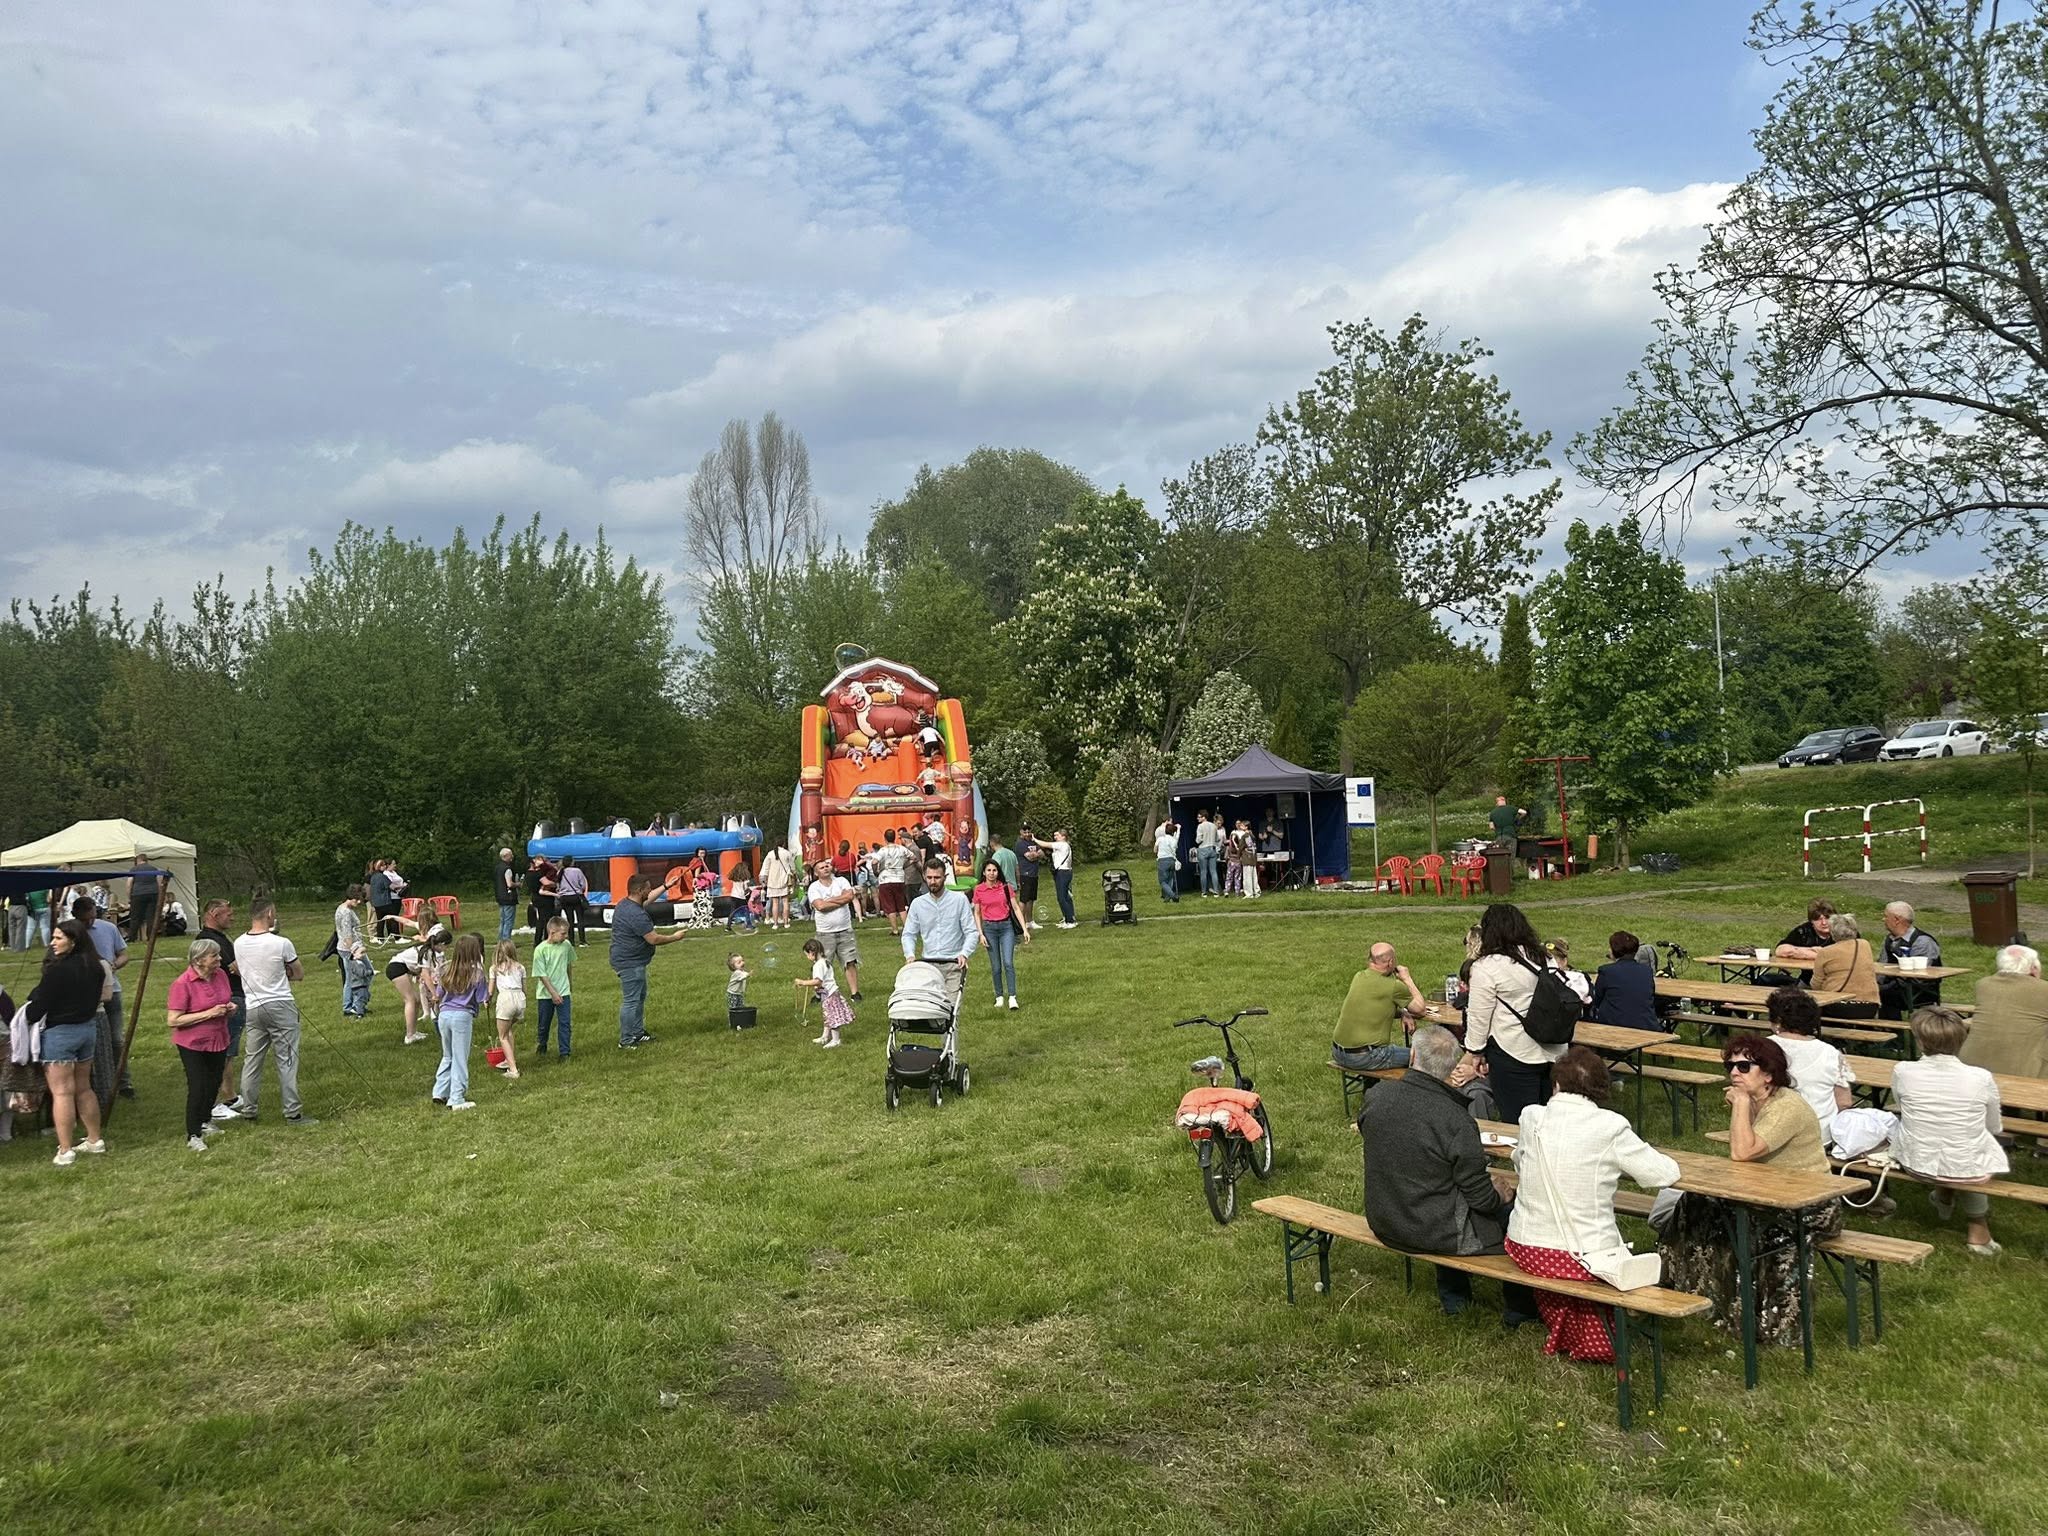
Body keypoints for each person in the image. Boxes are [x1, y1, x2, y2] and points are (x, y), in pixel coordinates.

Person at [1658, 1035, 1836, 1347]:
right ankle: (1683, 1290)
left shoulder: (1787, 1107)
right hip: (1767, 1195)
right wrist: (1744, 1106)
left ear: (1768, 1074)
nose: (1734, 1073)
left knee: (1767, 1234)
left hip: (1811, 1204)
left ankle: (1772, 1326)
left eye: (1744, 1066)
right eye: (1730, 1066)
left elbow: (1742, 1152)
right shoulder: (1758, 1101)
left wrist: (1740, 1105)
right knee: (1694, 1203)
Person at [1506, 1046, 1680, 1362]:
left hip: (1525, 1248)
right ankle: (1594, 1336)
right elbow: (1662, 1174)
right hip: (1580, 1256)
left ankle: (1571, 1330)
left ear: (1556, 1084)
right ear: (1601, 1089)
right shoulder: (1610, 1126)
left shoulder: (1532, 1117)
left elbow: (1519, 1162)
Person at [1358, 1024, 1538, 1325]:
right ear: (1452, 1068)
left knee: (1442, 1193)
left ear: (1412, 1055)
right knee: (1520, 1217)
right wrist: (1499, 1194)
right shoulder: (1455, 1120)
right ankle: (1520, 1310)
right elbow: (1481, 1200)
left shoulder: (1377, 1095)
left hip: (1386, 1218)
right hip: (1430, 1228)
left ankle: (1457, 1299)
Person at [1892, 1006, 2008, 1256]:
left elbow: (1902, 1108)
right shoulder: (1980, 1077)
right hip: (1961, 1166)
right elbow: (1993, 1126)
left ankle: (1944, 1197)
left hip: (1916, 1161)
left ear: (1920, 1041)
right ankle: (1978, 1228)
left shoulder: (1903, 1071)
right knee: (1970, 1151)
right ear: (1960, 1040)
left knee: (1951, 1142)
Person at [1460, 903, 1564, 1123]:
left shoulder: (1486, 967)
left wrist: (1475, 1052)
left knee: (1518, 1119)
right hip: (1552, 1045)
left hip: (1513, 1049)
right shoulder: (1544, 957)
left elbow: (1479, 1016)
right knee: (1548, 1117)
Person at [222, 900, 316, 1128]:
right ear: (270, 914)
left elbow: (237, 968)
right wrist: (282, 974)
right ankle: (292, 1112)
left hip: (253, 1006)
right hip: (280, 1004)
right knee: (287, 1060)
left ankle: (249, 1109)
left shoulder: (239, 942)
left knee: (252, 1060)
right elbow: (299, 973)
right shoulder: (281, 943)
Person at [28, 919, 112, 1166]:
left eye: (58, 938)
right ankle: (95, 1139)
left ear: (73, 941)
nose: (52, 943)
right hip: (87, 1029)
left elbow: (38, 1008)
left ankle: (65, 1150)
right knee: (84, 1088)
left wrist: (26, 1014)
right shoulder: (96, 967)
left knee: (62, 1092)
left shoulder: (57, 971)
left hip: (60, 1033)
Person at [166, 937, 236, 1152]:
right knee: (198, 1086)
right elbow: (173, 1020)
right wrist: (209, 1013)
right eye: (214, 956)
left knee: (214, 1081)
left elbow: (224, 999)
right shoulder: (182, 984)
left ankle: (206, 1119)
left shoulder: (220, 975)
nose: (219, 959)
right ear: (198, 960)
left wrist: (230, 1008)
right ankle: (193, 1134)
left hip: (219, 1038)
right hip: (192, 1043)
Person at [1766, 987, 1854, 1137]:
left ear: (1778, 1021)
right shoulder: (1830, 1053)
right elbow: (1844, 1102)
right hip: (1820, 1134)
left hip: (1770, 1134)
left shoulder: (1759, 1048)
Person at [611, 872, 685, 1049]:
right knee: (631, 1001)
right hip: (630, 962)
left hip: (631, 960)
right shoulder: (636, 915)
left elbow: (648, 899)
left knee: (639, 997)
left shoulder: (625, 904)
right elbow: (653, 939)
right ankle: (626, 1040)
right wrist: (675, 937)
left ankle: (638, 1033)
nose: (650, 891)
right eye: (647, 889)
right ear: (639, 891)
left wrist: (666, 886)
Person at [1332, 942, 1427, 1071]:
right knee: (1427, 1056)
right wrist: (1407, 978)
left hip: (1338, 1052)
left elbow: (1377, 1007)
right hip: (1366, 1056)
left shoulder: (1359, 976)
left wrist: (1403, 1012)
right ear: (1391, 962)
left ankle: (1373, 1084)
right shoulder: (1394, 986)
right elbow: (1421, 1010)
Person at [902, 857, 980, 1009]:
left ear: (945, 877)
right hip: (928, 965)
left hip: (953, 964)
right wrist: (910, 955)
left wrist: (964, 953)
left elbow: (971, 932)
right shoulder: (918, 904)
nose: (933, 882)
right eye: (929, 877)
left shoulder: (959, 900)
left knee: (951, 1010)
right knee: (931, 1011)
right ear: (924, 877)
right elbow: (909, 934)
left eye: (937, 878)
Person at [1965, 943, 2048, 1078]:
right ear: (2033, 969)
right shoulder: (2044, 989)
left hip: (1972, 1064)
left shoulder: (1983, 985)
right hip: (2025, 1071)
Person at [198, 899, 246, 1120]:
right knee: (220, 1053)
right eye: (228, 914)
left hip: (232, 997)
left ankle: (229, 1095)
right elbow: (233, 968)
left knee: (228, 1051)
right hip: (225, 999)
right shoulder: (208, 941)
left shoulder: (220, 938)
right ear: (214, 914)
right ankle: (213, 1102)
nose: (232, 918)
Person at [430, 933, 488, 1110]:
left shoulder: (446, 969)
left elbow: (438, 994)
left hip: (444, 1015)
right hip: (462, 1016)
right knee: (460, 1058)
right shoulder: (477, 973)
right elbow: (481, 998)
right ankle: (456, 1098)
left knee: (448, 1055)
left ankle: (440, 1091)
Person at [971, 857, 1030, 1010]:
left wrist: (1024, 929)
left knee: (1008, 963)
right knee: (996, 966)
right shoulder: (979, 889)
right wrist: (980, 933)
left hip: (1006, 927)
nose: (992, 873)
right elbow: (977, 912)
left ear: (998, 872)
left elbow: (1016, 908)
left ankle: (1012, 997)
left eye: (994, 870)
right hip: (989, 929)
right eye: (989, 870)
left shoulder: (1005, 887)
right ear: (984, 873)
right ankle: (999, 996)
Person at [805, 857, 864, 1002]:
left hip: (845, 930)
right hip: (825, 932)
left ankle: (855, 993)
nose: (826, 868)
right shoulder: (814, 887)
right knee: (822, 964)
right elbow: (820, 906)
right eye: (822, 867)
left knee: (849, 961)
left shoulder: (841, 881)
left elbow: (849, 896)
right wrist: (840, 899)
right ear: (816, 873)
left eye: (827, 866)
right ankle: (819, 993)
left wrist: (829, 901)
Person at [1810, 911, 1881, 1018]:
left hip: (1839, 1006)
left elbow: (1815, 984)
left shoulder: (1825, 952)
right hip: (1870, 1007)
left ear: (1832, 932)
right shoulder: (1864, 945)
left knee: (1808, 1008)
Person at [386, 927, 450, 1045]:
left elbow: (423, 973)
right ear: (441, 944)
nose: (446, 949)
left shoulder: (429, 950)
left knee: (416, 1001)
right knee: (410, 1000)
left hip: (403, 968)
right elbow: (426, 975)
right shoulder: (427, 952)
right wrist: (435, 995)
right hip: (396, 968)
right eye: (446, 946)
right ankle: (409, 1036)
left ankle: (413, 1032)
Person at [1879, 900, 1944, 1017]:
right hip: (1895, 988)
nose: (1883, 919)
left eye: (1886, 916)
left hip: (1919, 992)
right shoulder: (1889, 940)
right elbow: (1881, 968)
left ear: (1897, 920)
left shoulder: (1923, 942)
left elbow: (1920, 976)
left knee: (1883, 994)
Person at [1590, 931, 1661, 1031]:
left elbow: (1597, 999)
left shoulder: (1607, 971)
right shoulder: (1646, 971)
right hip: (1646, 1025)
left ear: (1614, 950)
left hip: (1615, 1025)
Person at [795, 937, 852, 1047]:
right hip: (830, 994)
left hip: (830, 995)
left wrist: (803, 982)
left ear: (812, 953)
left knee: (833, 1017)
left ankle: (836, 1040)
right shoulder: (825, 961)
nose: (807, 957)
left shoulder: (818, 965)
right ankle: (825, 1037)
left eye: (807, 955)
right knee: (828, 1015)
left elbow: (818, 981)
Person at [532, 915, 574, 1061]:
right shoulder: (540, 950)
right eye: (563, 933)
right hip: (546, 994)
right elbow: (542, 975)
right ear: (552, 932)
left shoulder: (566, 946)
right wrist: (553, 993)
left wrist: (569, 983)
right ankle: (542, 1043)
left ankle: (564, 1052)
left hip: (563, 991)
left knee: (565, 1023)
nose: (566, 936)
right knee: (544, 1023)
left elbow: (568, 965)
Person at [489, 939, 525, 1080]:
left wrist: (487, 1000)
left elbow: (490, 991)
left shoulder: (495, 968)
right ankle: (508, 1059)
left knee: (502, 1036)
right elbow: (524, 988)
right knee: (508, 1030)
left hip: (506, 999)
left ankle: (513, 1070)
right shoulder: (520, 967)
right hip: (520, 999)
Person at [333, 885, 367, 1006]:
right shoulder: (346, 912)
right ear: (350, 897)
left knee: (355, 977)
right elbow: (347, 935)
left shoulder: (343, 908)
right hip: (349, 949)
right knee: (353, 978)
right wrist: (354, 952)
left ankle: (354, 1004)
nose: (359, 902)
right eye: (356, 899)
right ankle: (349, 1005)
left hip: (350, 948)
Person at [1542, 938, 1592, 1007]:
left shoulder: (1579, 977)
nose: (1548, 964)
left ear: (1564, 960)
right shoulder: (1542, 976)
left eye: (1551, 960)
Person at [761, 843, 796, 931]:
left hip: (772, 881)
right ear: (783, 844)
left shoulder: (770, 854)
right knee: (785, 902)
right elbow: (792, 867)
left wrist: (764, 880)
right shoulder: (787, 853)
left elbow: (765, 868)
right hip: (784, 880)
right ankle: (786, 923)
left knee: (775, 903)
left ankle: (775, 924)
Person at [125, 856, 161, 942]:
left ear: (138, 860)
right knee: (151, 917)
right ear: (146, 860)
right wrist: (159, 895)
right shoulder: (154, 869)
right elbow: (159, 883)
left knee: (135, 917)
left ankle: (132, 937)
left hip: (138, 894)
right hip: (153, 893)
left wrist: (129, 897)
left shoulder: (134, 869)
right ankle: (151, 937)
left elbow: (129, 884)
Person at [555, 858, 590, 945]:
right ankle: (582, 940)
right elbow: (583, 884)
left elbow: (558, 885)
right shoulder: (577, 871)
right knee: (580, 919)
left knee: (570, 920)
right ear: (572, 862)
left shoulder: (560, 872)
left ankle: (571, 940)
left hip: (565, 897)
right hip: (576, 896)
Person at [525, 856, 557, 947]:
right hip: (544, 898)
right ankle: (544, 938)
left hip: (535, 897)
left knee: (541, 918)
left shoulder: (528, 874)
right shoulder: (537, 874)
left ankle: (538, 939)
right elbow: (546, 882)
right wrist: (554, 884)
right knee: (545, 919)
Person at [1016, 824, 1044, 930]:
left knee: (1031, 899)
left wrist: (1035, 854)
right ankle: (1020, 922)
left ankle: (1030, 921)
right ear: (1021, 832)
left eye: (1029, 831)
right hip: (1025, 874)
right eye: (1025, 832)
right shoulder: (1020, 844)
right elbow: (1030, 857)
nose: (1027, 834)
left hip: (1034, 874)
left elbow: (1042, 854)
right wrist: (1036, 854)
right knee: (1024, 899)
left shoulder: (1033, 842)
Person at [1049, 829, 1077, 927]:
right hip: (1063, 872)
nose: (1055, 837)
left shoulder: (1062, 844)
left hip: (1063, 873)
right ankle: (1068, 917)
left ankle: (1070, 921)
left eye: (1057, 835)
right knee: (1065, 897)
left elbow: (1045, 844)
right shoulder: (1061, 845)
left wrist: (1034, 839)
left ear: (1063, 836)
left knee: (1062, 897)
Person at [368, 859, 399, 941]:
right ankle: (397, 938)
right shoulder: (383, 877)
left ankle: (380, 938)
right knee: (393, 918)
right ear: (380, 867)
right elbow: (392, 887)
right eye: (384, 865)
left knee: (380, 921)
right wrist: (402, 886)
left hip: (376, 903)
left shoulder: (373, 877)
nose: (385, 866)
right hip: (385, 902)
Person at [1193, 810, 1222, 897]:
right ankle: (1216, 891)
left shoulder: (1200, 826)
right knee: (1213, 871)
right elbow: (1217, 839)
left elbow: (1198, 840)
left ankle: (1204, 892)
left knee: (1203, 872)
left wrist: (1200, 839)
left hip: (1203, 849)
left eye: (1199, 817)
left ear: (1204, 817)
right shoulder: (1213, 826)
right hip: (1212, 849)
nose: (1197, 818)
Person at [1153, 820, 1182, 904]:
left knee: (1162, 881)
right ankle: (1167, 898)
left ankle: (1173, 896)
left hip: (1162, 861)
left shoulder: (1160, 839)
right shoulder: (1174, 840)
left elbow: (1155, 850)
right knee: (1170, 879)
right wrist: (1178, 829)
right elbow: (1177, 836)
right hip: (1172, 860)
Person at [494, 847, 519, 941]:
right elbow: (509, 884)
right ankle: (506, 940)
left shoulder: (497, 867)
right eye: (510, 854)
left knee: (502, 920)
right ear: (506, 856)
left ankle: (500, 940)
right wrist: (517, 884)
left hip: (500, 896)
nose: (512, 856)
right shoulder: (507, 869)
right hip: (509, 897)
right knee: (508, 921)